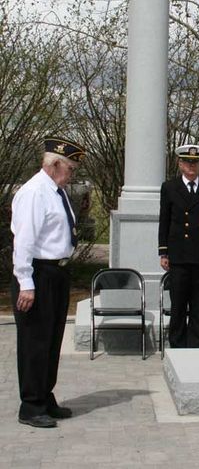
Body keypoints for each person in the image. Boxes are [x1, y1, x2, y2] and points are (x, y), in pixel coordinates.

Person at [11, 136, 86, 428]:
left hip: (56, 272)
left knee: (52, 338)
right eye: (71, 169)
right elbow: (25, 241)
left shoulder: (56, 191)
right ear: (55, 164)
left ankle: (44, 394)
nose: (72, 175)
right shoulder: (34, 193)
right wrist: (26, 282)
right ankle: (30, 404)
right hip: (38, 274)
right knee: (34, 341)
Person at [158, 143, 199, 348]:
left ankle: (194, 343)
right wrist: (163, 252)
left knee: (197, 303)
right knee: (178, 303)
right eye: (187, 162)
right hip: (179, 255)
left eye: (195, 163)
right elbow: (164, 221)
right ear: (180, 163)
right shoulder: (169, 187)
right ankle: (176, 342)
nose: (192, 166)